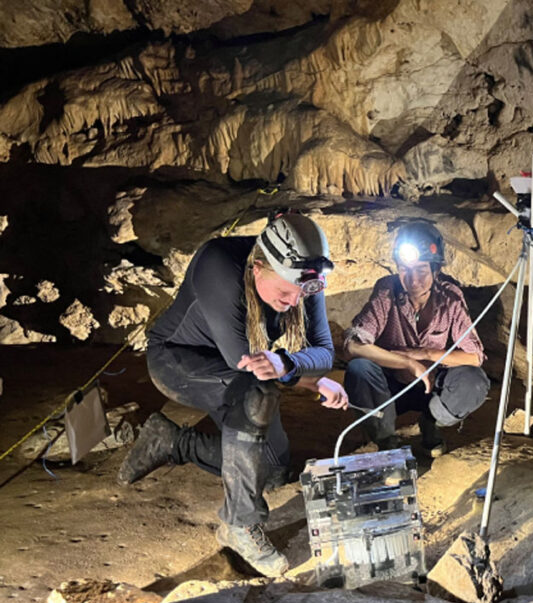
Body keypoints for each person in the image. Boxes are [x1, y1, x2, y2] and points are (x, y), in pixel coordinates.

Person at [117, 212, 348, 577]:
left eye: (300, 293)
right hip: (178, 360)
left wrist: (291, 365)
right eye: (284, 292)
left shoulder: (304, 280)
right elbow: (246, 365)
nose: (292, 302)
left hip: (244, 368)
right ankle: (239, 524)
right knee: (255, 395)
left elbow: (323, 352)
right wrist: (309, 380)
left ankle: (174, 443)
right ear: (258, 267)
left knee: (272, 470)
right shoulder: (219, 264)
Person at [342, 221, 489, 456]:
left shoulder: (450, 297)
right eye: (405, 270)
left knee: (474, 380)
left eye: (421, 270)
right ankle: (386, 440)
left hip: (431, 387)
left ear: (435, 270)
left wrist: (426, 355)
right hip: (390, 390)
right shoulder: (386, 291)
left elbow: (474, 357)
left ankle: (430, 422)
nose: (413, 279)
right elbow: (352, 345)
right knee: (359, 369)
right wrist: (406, 362)